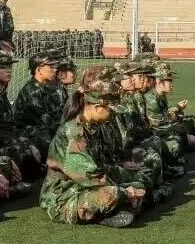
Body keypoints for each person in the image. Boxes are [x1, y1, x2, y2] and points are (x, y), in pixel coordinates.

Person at [41, 75, 146, 226]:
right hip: (63, 198)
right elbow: (88, 176)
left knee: (138, 185)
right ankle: (115, 212)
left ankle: (120, 210)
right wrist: (124, 191)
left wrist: (127, 185)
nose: (113, 115)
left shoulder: (91, 127)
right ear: (97, 107)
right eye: (111, 111)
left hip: (84, 188)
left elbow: (102, 165)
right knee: (113, 194)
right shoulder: (74, 133)